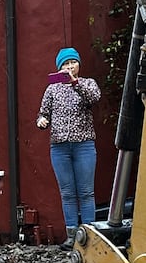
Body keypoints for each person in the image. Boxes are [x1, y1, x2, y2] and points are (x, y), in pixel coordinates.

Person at [37, 47, 101, 243]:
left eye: (72, 63)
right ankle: (72, 235)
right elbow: (43, 113)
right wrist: (41, 121)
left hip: (84, 146)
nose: (69, 67)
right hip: (60, 148)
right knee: (67, 193)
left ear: (78, 65)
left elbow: (94, 98)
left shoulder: (87, 84)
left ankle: (89, 235)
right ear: (59, 68)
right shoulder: (52, 89)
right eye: (65, 64)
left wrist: (75, 84)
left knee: (86, 192)